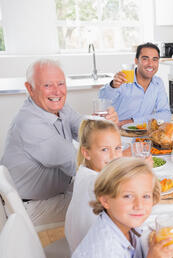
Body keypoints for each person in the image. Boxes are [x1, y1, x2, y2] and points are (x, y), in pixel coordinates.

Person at [0, 59, 118, 228]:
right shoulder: (30, 124)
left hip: (54, 190)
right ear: (29, 88)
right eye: (47, 85)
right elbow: (81, 165)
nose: (57, 91)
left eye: (61, 83)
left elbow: (83, 129)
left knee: (111, 194)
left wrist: (104, 125)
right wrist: (123, 156)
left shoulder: (56, 106)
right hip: (33, 207)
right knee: (111, 204)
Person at [67, 157, 173, 258]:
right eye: (128, 196)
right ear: (106, 200)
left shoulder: (125, 226)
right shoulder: (105, 251)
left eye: (145, 196)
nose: (139, 205)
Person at [64, 119, 123, 253]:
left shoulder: (85, 170)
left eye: (118, 148)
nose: (114, 156)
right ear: (86, 153)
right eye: (104, 149)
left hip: (83, 248)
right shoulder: (97, 183)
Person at [99, 42, 171, 127]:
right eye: (145, 59)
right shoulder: (124, 79)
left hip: (141, 132)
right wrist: (113, 86)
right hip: (117, 130)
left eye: (154, 59)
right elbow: (102, 98)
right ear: (136, 61)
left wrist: (133, 121)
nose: (150, 64)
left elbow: (165, 114)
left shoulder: (158, 83)